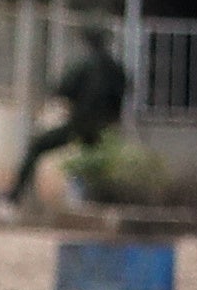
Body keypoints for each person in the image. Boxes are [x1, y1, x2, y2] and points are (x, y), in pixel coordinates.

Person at [13, 33, 129, 208]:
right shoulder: (116, 68)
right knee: (92, 160)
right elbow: (124, 91)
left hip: (81, 124)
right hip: (107, 128)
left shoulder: (84, 66)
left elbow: (63, 89)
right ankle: (86, 198)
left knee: (37, 147)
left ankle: (14, 198)